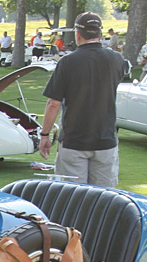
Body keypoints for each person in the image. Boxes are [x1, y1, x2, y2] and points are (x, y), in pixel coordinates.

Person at [38, 11, 125, 187]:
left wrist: (45, 135)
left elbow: (54, 103)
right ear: (100, 34)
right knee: (104, 198)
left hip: (74, 139)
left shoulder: (68, 62)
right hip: (105, 138)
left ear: (78, 34)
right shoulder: (117, 59)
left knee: (73, 198)